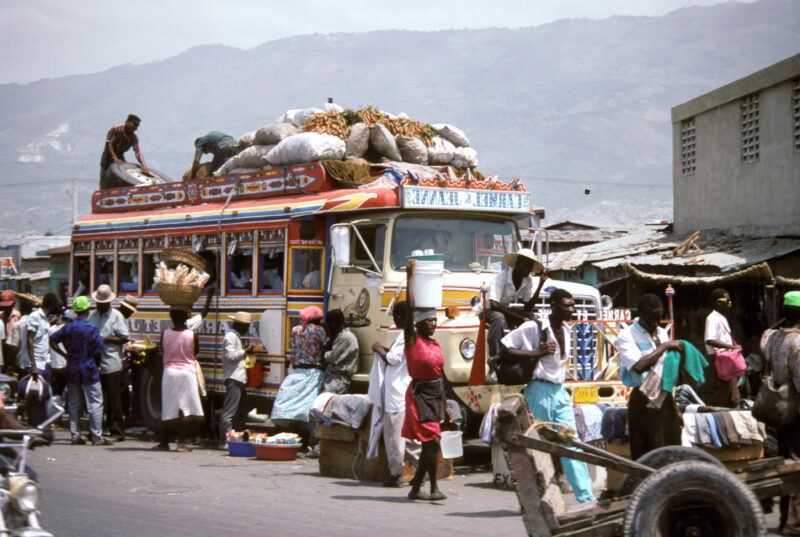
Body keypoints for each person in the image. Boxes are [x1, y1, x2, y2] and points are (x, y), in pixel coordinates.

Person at [500, 288, 596, 503]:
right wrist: (537, 352)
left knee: (571, 441)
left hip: (559, 392)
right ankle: (536, 497)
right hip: (539, 391)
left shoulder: (567, 330)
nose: (571, 309)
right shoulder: (535, 327)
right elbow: (504, 348)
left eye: (573, 305)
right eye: (567, 305)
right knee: (535, 445)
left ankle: (587, 498)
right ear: (553, 305)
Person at [402, 258, 450, 502]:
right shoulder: (412, 340)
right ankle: (431, 488)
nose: (433, 323)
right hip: (420, 397)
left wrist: (447, 403)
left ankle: (417, 488)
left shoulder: (435, 343)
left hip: (435, 396)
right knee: (432, 442)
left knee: (432, 443)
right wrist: (410, 276)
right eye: (429, 321)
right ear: (418, 324)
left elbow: (441, 374)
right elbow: (410, 309)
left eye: (434, 320)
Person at [617, 293, 684, 461]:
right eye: (650, 318)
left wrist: (674, 408)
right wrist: (665, 346)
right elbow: (639, 366)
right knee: (647, 454)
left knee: (670, 449)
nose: (654, 323)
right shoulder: (626, 336)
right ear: (640, 315)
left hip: (664, 398)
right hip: (643, 400)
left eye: (658, 318)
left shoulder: (662, 333)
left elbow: (666, 375)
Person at [761, 291, 800, 534]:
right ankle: (794, 522)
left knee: (787, 462)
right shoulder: (797, 342)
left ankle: (786, 516)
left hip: (780, 410)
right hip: (796, 411)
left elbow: (766, 335)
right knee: (797, 465)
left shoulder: (773, 338)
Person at [370, 301, 420, 487]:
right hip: (406, 391)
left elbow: (392, 359)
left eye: (395, 316)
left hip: (397, 394)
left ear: (402, 316)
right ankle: (419, 468)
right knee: (413, 437)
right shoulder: (414, 334)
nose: (394, 319)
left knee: (394, 437)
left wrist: (378, 348)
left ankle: (394, 473)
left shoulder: (406, 334)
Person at [50, 296, 108, 446]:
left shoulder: (68, 327)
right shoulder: (91, 329)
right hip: (88, 368)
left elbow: (52, 340)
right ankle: (96, 436)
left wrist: (65, 355)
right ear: (88, 310)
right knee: (95, 403)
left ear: (75, 311)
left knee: (74, 403)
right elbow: (98, 351)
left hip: (72, 368)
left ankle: (75, 436)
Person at [271, 306, 329, 454]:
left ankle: (289, 438)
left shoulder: (295, 330)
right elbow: (326, 345)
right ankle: (310, 442)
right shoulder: (319, 331)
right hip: (313, 372)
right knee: (308, 408)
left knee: (288, 404)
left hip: (297, 372)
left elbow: (293, 347)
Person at [152, 308, 204, 453]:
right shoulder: (192, 334)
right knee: (186, 410)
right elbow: (196, 351)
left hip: (170, 373)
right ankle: (181, 443)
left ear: (172, 318)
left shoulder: (165, 333)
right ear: (185, 318)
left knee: (168, 409)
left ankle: (164, 442)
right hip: (188, 373)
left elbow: (163, 349)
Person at [486, 248, 547, 362]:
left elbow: (528, 306)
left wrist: (540, 285)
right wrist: (519, 318)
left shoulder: (527, 280)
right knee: (499, 318)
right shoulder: (502, 277)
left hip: (504, 308)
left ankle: (535, 352)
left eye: (530, 266)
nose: (528, 269)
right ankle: (495, 356)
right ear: (517, 263)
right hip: (488, 310)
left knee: (533, 319)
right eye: (526, 265)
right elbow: (494, 305)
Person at [87, 284, 129, 441]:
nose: (100, 305)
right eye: (98, 302)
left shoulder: (116, 316)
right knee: (100, 399)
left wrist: (106, 339)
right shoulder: (93, 316)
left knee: (114, 400)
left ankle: (116, 430)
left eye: (102, 303)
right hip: (96, 362)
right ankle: (100, 428)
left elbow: (124, 337)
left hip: (112, 362)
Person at [24, 293, 59, 427]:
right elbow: (30, 339)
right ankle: (33, 424)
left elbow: (42, 336)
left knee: (44, 394)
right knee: (34, 396)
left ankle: (41, 424)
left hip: (45, 362)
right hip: (36, 363)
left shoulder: (44, 319)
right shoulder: (34, 316)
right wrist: (33, 365)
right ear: (51, 304)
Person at [219, 311, 254, 447]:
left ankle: (236, 438)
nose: (247, 330)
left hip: (238, 378)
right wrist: (245, 351)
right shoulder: (230, 336)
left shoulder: (235, 337)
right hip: (234, 378)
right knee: (229, 412)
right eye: (246, 327)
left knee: (242, 410)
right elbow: (230, 356)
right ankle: (225, 441)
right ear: (239, 325)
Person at [704, 288, 742, 407]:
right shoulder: (712, 318)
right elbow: (710, 339)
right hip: (719, 358)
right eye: (727, 300)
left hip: (727, 358)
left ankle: (734, 407)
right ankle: (711, 410)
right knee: (723, 389)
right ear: (718, 302)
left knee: (732, 388)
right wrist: (732, 346)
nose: (730, 302)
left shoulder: (722, 317)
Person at [99, 114, 149, 189]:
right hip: (108, 158)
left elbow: (137, 152)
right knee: (104, 182)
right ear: (127, 122)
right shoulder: (116, 130)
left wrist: (143, 165)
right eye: (133, 124)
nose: (135, 127)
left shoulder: (133, 137)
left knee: (124, 178)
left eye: (136, 126)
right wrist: (114, 158)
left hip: (120, 158)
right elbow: (109, 144)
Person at [322, 309, 359, 394]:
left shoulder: (346, 337)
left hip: (339, 379)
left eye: (328, 324)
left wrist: (324, 352)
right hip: (333, 377)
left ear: (333, 324)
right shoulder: (340, 336)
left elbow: (332, 357)